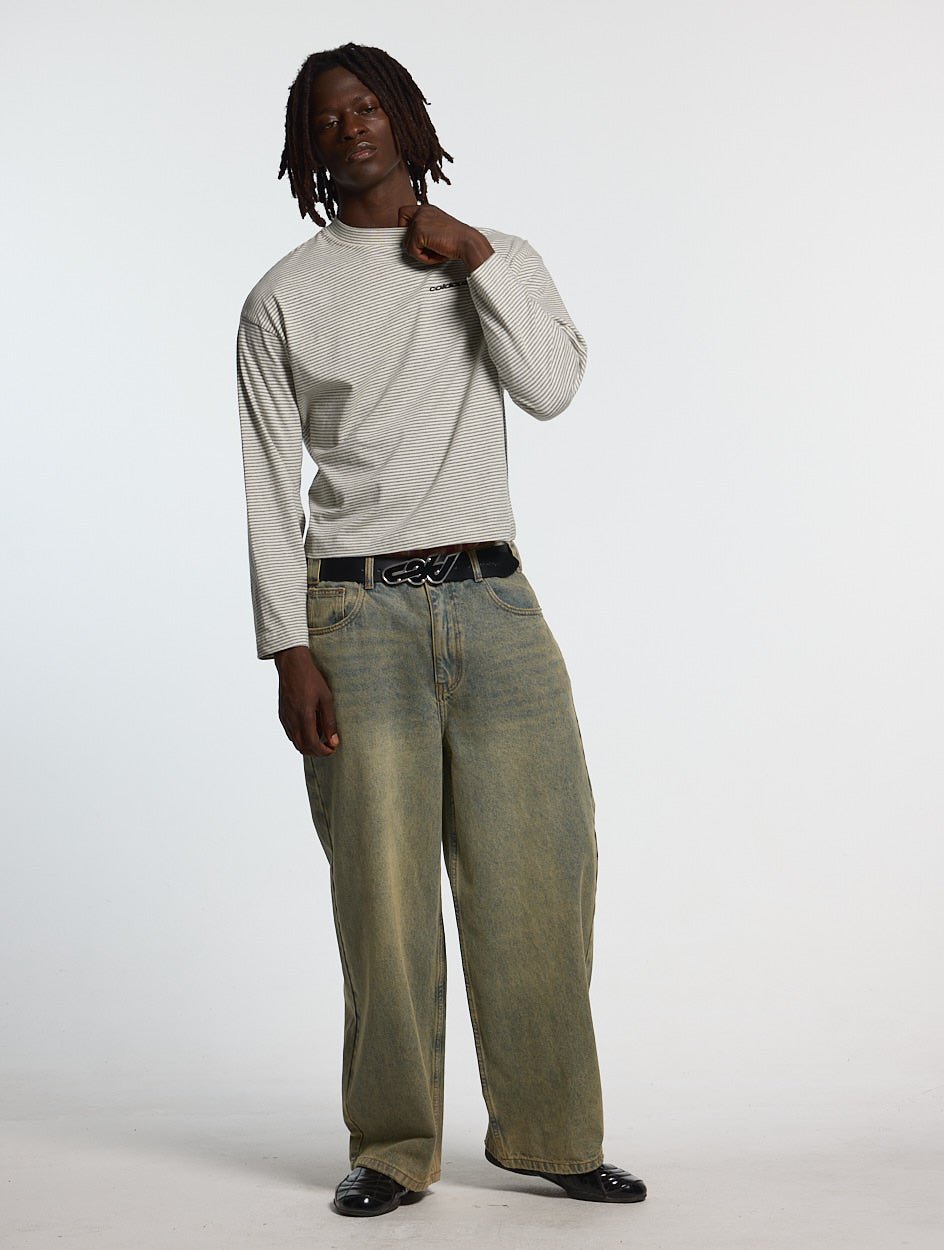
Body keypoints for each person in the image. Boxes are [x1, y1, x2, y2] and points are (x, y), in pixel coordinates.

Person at [236, 41, 647, 1218]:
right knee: (381, 894)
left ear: (408, 120)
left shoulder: (494, 256)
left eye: (368, 106)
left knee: (541, 870)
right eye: (327, 118)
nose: (350, 127)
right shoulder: (282, 297)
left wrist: (474, 258)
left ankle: (552, 1133)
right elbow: (266, 480)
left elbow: (552, 386)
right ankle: (392, 1144)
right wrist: (287, 646)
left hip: (494, 601)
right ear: (307, 145)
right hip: (354, 613)